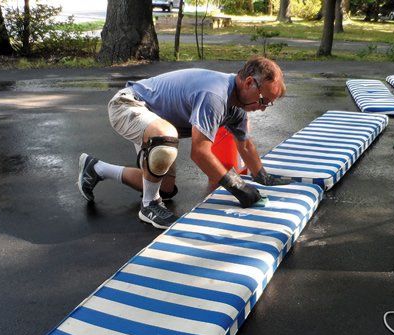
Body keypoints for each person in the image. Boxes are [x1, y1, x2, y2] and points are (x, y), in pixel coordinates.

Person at [77, 56, 290, 229]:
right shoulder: (214, 95)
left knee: (165, 188)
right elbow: (200, 152)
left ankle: (96, 169)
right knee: (166, 138)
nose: (262, 108)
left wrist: (264, 177)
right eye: (263, 100)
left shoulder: (237, 106)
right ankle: (149, 206)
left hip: (157, 124)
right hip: (127, 105)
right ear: (249, 82)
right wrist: (237, 187)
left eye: (268, 104)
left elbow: (245, 145)